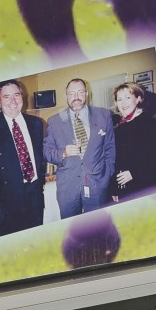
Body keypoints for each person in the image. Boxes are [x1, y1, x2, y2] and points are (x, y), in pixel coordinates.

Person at [0, 79, 46, 234]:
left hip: (35, 195)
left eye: (16, 95)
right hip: (7, 202)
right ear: (0, 101)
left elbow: (40, 155)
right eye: (7, 97)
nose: (13, 101)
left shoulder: (36, 123)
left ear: (22, 97)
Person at [44, 77, 115, 219]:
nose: (76, 97)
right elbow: (46, 152)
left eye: (80, 92)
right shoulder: (55, 121)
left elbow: (110, 147)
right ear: (66, 96)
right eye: (71, 93)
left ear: (87, 94)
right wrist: (63, 153)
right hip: (67, 188)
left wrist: (106, 174)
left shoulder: (104, 115)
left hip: (96, 184)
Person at [109, 82, 156, 201]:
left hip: (152, 187)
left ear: (138, 99)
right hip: (128, 192)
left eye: (128, 98)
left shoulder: (153, 124)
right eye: (119, 99)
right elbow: (117, 162)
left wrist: (134, 173)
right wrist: (114, 188)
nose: (123, 103)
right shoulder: (118, 129)